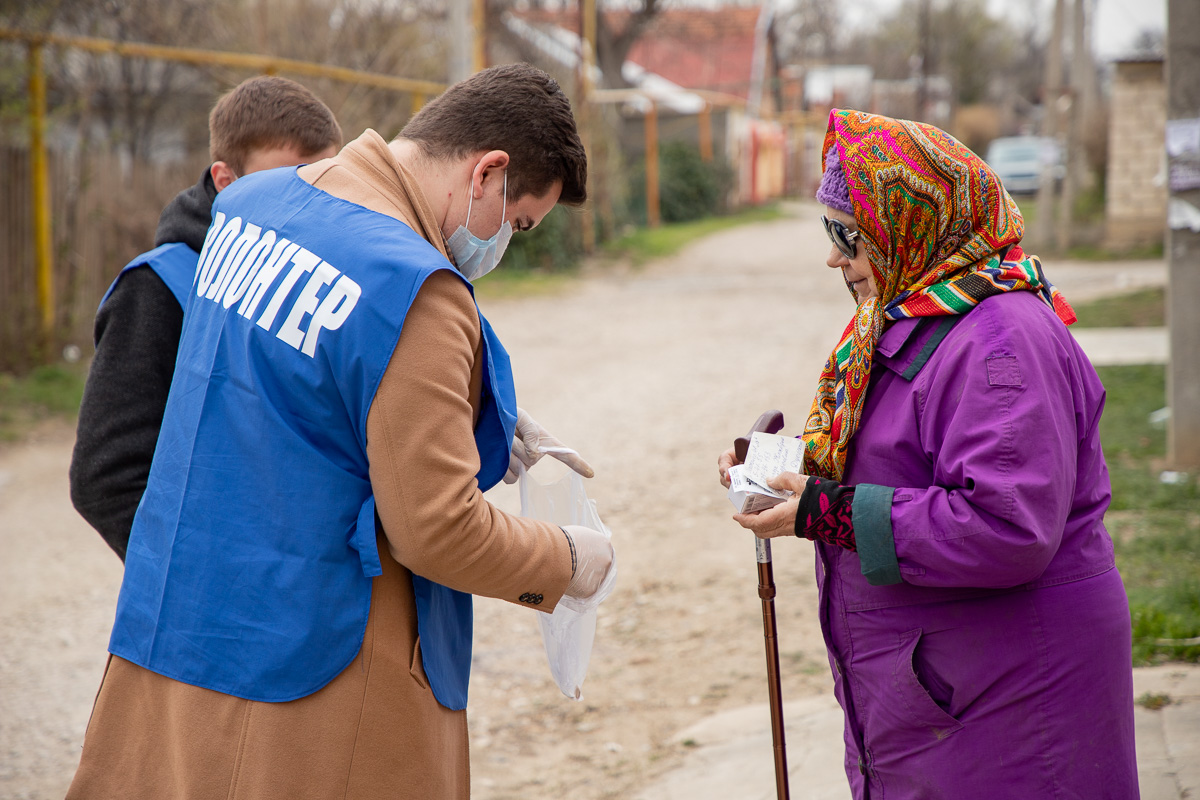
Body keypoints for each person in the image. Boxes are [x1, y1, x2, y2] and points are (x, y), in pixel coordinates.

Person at [67, 63, 614, 799]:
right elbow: (439, 531)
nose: (502, 245)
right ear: (487, 172)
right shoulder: (419, 290)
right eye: (515, 224)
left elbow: (282, 391)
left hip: (178, 636)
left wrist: (477, 412)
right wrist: (568, 560)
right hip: (316, 681)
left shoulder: (251, 206)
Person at [718, 109, 1137, 798]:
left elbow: (1007, 524)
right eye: (832, 233)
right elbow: (896, 450)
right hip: (955, 691)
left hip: (1013, 701)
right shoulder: (921, 315)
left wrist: (825, 512)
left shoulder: (1001, 341)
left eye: (847, 235)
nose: (834, 257)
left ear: (911, 221)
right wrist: (790, 473)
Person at [70, 75, 344, 561]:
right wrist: (206, 580)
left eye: (325, 181)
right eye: (288, 181)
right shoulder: (159, 287)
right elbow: (106, 479)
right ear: (225, 181)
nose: (311, 202)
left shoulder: (320, 278)